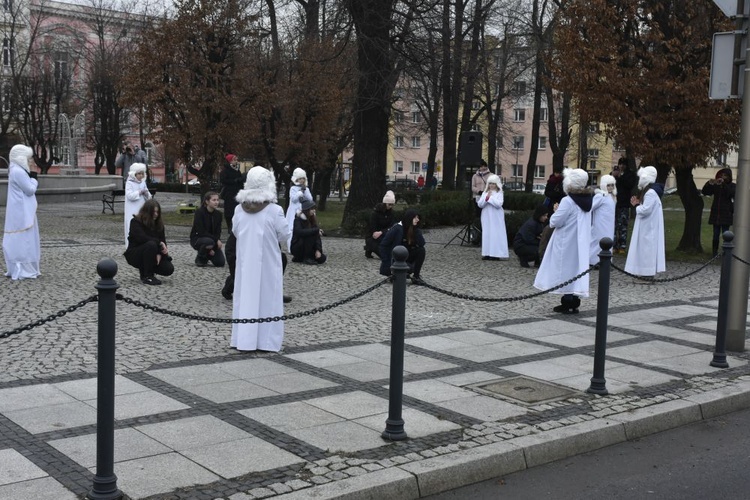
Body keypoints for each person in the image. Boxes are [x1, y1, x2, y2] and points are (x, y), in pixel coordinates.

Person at [231, 166, 291, 352]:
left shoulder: (239, 210)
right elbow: (284, 234)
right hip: (268, 263)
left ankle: (244, 339)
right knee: (269, 298)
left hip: (245, 263)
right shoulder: (274, 210)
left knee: (245, 298)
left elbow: (235, 231)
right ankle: (267, 341)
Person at [534, 168, 594, 314]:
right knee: (575, 270)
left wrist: (556, 210)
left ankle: (567, 301)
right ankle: (573, 300)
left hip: (566, 241)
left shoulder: (568, 201)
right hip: (578, 242)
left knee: (566, 270)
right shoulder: (588, 200)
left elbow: (555, 221)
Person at [3, 144, 40, 280]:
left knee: (23, 237)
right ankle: (23, 267)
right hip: (22, 211)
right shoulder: (18, 171)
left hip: (21, 209)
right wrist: (34, 178)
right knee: (25, 239)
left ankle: (22, 266)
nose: (30, 161)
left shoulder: (14, 169)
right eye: (28, 158)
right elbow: (30, 189)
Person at [625, 166, 665, 281]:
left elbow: (646, 210)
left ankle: (647, 272)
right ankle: (644, 271)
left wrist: (637, 206)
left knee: (647, 249)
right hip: (648, 226)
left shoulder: (650, 193)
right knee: (645, 249)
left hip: (648, 227)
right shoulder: (651, 191)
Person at [124, 199, 174, 285]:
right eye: (153, 212)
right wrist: (159, 244)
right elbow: (142, 238)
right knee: (151, 245)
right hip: (135, 253)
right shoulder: (136, 222)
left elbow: (163, 241)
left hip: (153, 251)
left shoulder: (159, 224)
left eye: (157, 212)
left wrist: (160, 252)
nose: (156, 214)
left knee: (168, 269)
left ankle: (146, 268)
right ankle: (148, 275)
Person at [379, 209, 426, 285]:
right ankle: (395, 273)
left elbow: (422, 243)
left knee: (421, 250)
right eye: (415, 218)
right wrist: (386, 261)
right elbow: (383, 245)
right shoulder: (397, 229)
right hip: (395, 259)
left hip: (406, 256)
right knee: (409, 268)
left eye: (418, 217)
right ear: (410, 218)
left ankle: (416, 277)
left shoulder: (413, 229)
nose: (417, 220)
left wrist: (417, 230)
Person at [701, 167, 735, 256]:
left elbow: (730, 194)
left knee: (726, 235)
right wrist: (709, 184)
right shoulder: (717, 186)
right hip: (716, 214)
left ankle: (725, 252)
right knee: (715, 235)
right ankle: (714, 253)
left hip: (726, 214)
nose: (723, 177)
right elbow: (706, 192)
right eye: (721, 175)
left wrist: (724, 184)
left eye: (725, 175)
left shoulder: (732, 186)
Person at [476, 174, 508, 260]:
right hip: (486, 216)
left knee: (495, 234)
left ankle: (496, 254)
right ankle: (487, 252)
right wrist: (486, 198)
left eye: (493, 184)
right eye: (490, 184)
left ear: (496, 184)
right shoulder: (485, 192)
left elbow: (498, 204)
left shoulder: (499, 193)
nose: (491, 186)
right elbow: (480, 204)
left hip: (496, 216)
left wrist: (490, 198)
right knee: (487, 233)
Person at [191, 191, 225, 267]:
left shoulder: (218, 215)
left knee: (220, 262)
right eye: (214, 200)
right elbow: (201, 232)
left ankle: (207, 254)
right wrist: (216, 241)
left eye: (217, 200)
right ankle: (200, 257)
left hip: (212, 241)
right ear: (207, 201)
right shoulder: (199, 212)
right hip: (198, 239)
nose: (216, 202)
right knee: (208, 241)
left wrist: (214, 247)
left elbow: (218, 232)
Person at [611, 157, 637, 254]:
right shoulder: (614, 174)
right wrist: (613, 176)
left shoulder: (630, 174)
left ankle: (622, 245)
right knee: (614, 225)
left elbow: (629, 185)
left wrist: (619, 177)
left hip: (624, 203)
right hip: (614, 203)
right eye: (620, 164)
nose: (621, 166)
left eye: (623, 164)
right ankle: (614, 245)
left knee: (623, 226)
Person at [589, 174, 616, 266]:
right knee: (598, 241)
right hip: (600, 224)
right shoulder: (600, 196)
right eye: (608, 185)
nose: (611, 187)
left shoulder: (611, 197)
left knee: (608, 240)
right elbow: (591, 207)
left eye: (612, 185)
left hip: (609, 224)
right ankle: (594, 261)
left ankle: (606, 260)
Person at [291, 199, 327, 265]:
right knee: (310, 235)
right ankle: (306, 257)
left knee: (322, 258)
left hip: (309, 247)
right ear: (306, 210)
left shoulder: (312, 220)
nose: (314, 211)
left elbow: (317, 238)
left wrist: (318, 249)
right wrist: (316, 230)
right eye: (312, 209)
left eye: (314, 209)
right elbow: (299, 232)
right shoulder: (298, 220)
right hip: (298, 246)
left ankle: (303, 257)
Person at [285, 167, 313, 251]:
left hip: (303, 211)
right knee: (292, 229)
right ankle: (291, 247)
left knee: (303, 228)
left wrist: (305, 191)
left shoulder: (306, 189)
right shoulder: (293, 188)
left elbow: (310, 199)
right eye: (300, 178)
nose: (302, 180)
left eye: (303, 178)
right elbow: (293, 199)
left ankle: (302, 246)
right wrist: (300, 193)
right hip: (294, 211)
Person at [124, 163, 152, 246]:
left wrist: (146, 193)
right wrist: (139, 192)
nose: (141, 175)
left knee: (143, 227)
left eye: (142, 173)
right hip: (132, 209)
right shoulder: (129, 183)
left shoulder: (143, 183)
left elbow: (149, 197)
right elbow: (129, 196)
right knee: (132, 227)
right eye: (139, 173)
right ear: (134, 174)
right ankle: (130, 246)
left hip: (142, 209)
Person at [364, 191, 396, 259]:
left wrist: (382, 232)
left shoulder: (391, 213)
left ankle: (371, 247)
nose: (391, 206)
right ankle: (370, 247)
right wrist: (377, 233)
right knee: (384, 255)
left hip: (384, 233)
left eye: (392, 205)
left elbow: (392, 226)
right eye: (389, 204)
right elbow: (373, 227)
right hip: (374, 235)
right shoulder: (375, 213)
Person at [220, 154, 246, 233]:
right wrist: (234, 181)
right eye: (234, 160)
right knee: (229, 210)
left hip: (237, 192)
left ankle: (236, 225)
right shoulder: (225, 170)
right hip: (229, 193)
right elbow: (223, 180)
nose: (236, 161)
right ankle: (230, 226)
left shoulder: (237, 170)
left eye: (236, 159)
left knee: (237, 209)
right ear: (230, 161)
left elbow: (239, 179)